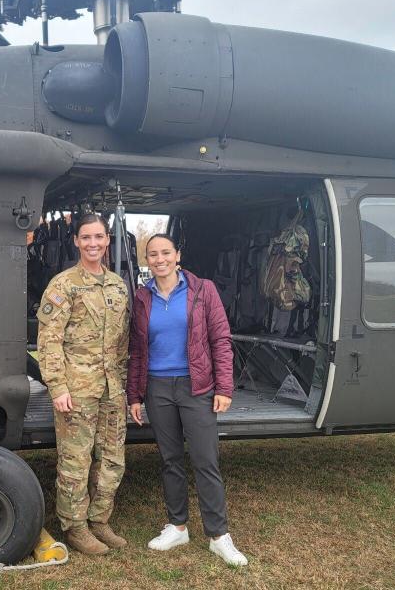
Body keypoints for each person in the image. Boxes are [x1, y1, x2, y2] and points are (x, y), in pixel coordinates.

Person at [127, 233, 248, 567]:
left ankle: (218, 536)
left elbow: (221, 340)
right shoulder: (141, 297)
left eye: (166, 252)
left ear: (177, 255)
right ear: (147, 260)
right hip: (157, 388)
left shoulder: (202, 290)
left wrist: (224, 387)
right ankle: (178, 526)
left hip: (197, 387)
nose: (160, 259)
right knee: (170, 460)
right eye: (153, 254)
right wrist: (134, 395)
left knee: (205, 461)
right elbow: (138, 351)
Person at [36, 213, 130, 555]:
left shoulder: (117, 286)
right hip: (76, 390)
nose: (93, 243)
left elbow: (122, 340)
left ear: (107, 241)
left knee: (112, 458)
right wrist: (58, 387)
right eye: (86, 237)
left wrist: (122, 382)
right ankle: (75, 526)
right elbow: (48, 340)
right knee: (76, 460)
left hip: (111, 389)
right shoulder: (64, 285)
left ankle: (99, 520)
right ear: (76, 241)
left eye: (99, 237)